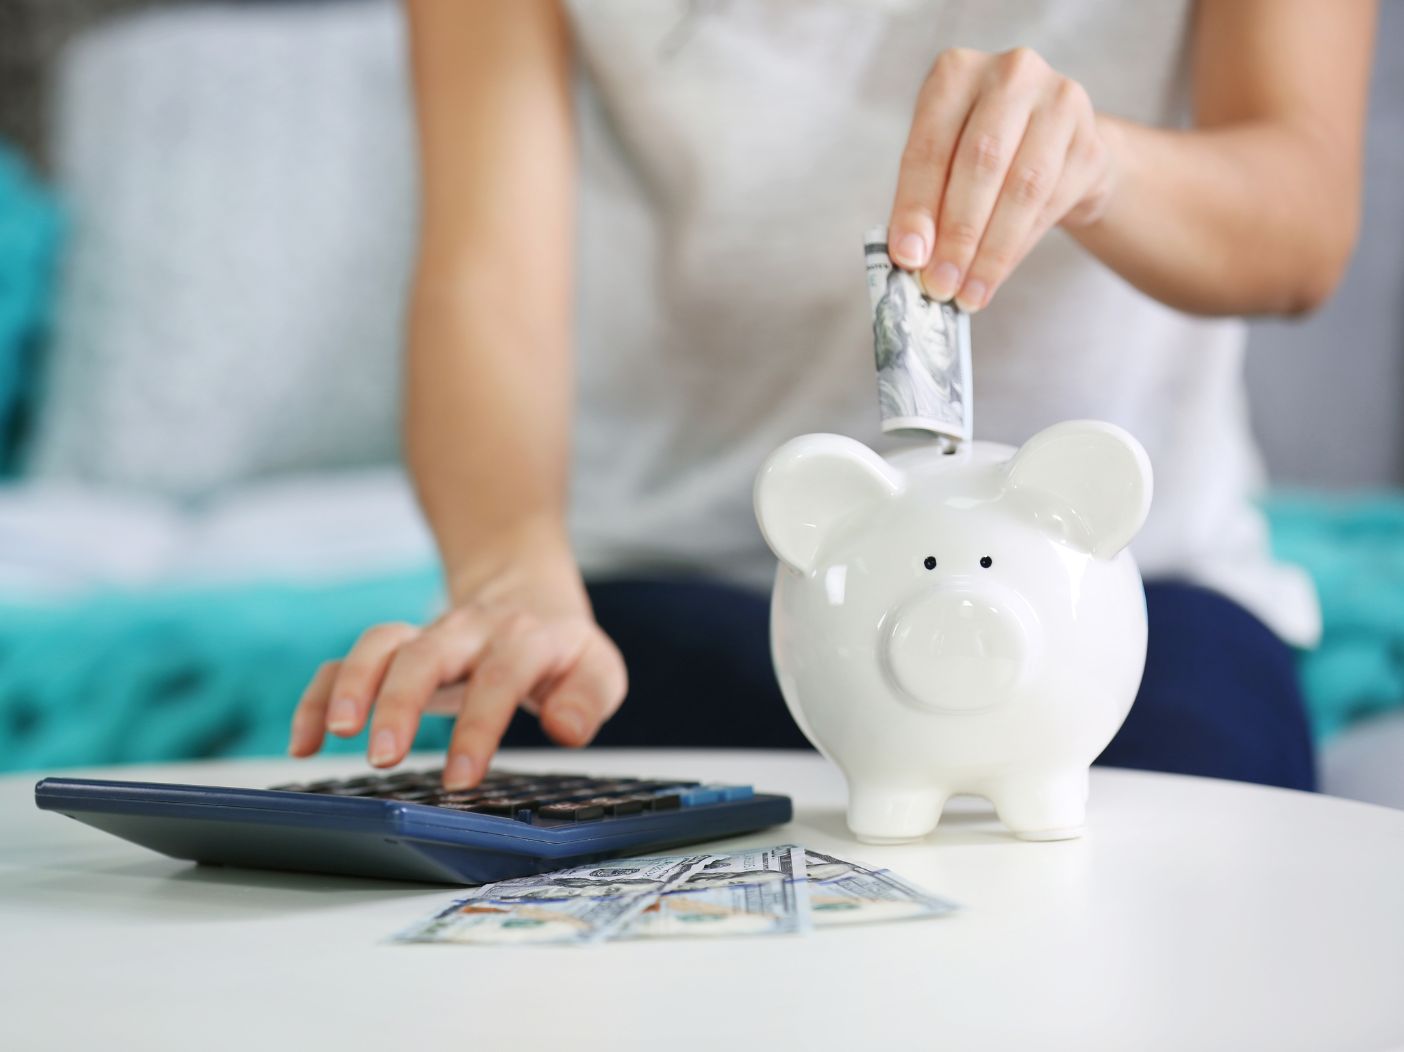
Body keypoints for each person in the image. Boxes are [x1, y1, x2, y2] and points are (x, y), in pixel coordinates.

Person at [287, 0, 1375, 794]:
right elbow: (490, 273)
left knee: (1165, 892)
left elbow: (1301, 224)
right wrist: (509, 571)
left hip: (1124, 589)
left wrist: (1102, 169)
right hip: (672, 584)